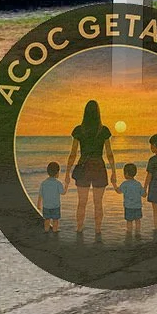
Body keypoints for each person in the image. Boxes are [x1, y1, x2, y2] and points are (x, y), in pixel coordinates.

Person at [64, 99, 115, 242]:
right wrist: (114, 172)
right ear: (98, 113)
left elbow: (73, 153)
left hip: (83, 167)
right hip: (99, 167)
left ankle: (79, 229)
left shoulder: (79, 130)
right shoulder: (103, 130)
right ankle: (98, 231)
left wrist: (67, 172)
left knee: (82, 202)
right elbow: (109, 154)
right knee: (98, 203)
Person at [119, 163, 144, 243]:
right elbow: (143, 194)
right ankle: (137, 233)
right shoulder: (138, 184)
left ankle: (129, 234)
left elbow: (118, 191)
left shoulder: (125, 184)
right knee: (138, 220)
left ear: (126, 174)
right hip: (137, 206)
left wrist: (114, 184)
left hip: (128, 207)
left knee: (129, 221)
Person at [38, 161, 66, 233]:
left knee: (47, 219)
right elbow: (63, 192)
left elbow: (40, 194)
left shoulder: (44, 183)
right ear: (57, 173)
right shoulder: (58, 183)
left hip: (46, 206)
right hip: (55, 206)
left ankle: (46, 230)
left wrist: (38, 204)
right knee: (55, 220)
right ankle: (55, 231)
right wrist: (67, 185)